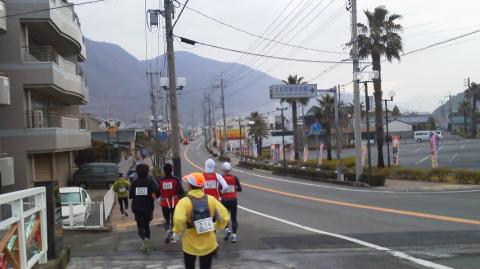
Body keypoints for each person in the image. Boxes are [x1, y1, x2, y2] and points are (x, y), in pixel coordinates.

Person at [172, 172, 229, 269]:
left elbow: (179, 219)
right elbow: (224, 216)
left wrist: (177, 233)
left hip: (189, 243)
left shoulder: (184, 202)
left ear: (189, 186)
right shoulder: (211, 199)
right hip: (208, 242)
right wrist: (216, 226)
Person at [129, 163, 160, 252]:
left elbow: (130, 195)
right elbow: (158, 191)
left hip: (137, 207)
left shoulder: (134, 182)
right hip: (148, 207)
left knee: (140, 226)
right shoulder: (151, 180)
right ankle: (147, 243)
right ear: (147, 171)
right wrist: (153, 194)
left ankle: (144, 240)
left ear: (137, 172)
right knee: (146, 225)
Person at [158, 163, 185, 243]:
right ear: (171, 170)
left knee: (166, 219)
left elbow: (158, 192)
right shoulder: (176, 179)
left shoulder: (160, 180)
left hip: (165, 203)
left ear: (164, 170)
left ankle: (167, 231)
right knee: (174, 219)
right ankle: (172, 234)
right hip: (175, 202)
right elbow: (181, 191)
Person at [220, 162, 242, 243]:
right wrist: (233, 189)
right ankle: (234, 236)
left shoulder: (221, 178)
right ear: (230, 169)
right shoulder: (235, 178)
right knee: (234, 218)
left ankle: (227, 231)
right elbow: (240, 189)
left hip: (224, 200)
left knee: (225, 218)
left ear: (222, 169)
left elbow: (219, 189)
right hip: (233, 200)